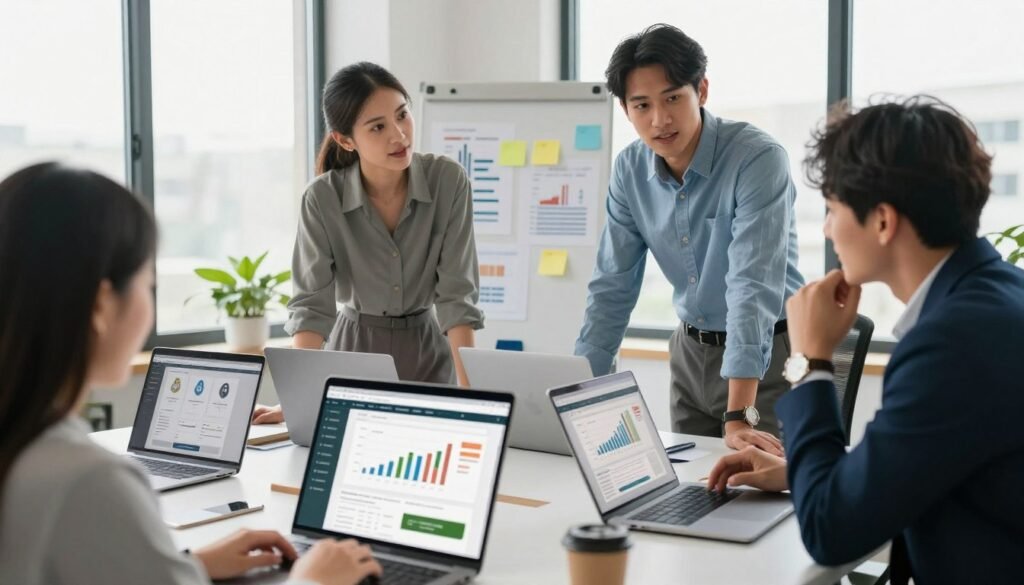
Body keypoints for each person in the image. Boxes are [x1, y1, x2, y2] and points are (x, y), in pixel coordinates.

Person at [0, 163, 381, 585]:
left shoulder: (24, 448)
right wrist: (313, 581)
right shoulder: (89, 481)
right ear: (101, 306)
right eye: (149, 283)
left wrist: (184, 567)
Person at [707, 96, 1024, 583]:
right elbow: (939, 460)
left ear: (882, 220)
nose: (829, 228)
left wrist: (810, 361)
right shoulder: (998, 296)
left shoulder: (951, 344)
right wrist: (803, 474)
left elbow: (831, 531)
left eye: (832, 208)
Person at [575, 24, 804, 454]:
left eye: (672, 98)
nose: (659, 120)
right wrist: (580, 398)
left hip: (768, 355)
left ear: (701, 90)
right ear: (625, 109)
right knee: (689, 494)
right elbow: (611, 287)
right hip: (689, 354)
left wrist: (739, 416)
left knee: (763, 496)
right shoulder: (629, 171)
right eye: (642, 105)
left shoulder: (757, 159)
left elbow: (751, 287)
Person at [253, 62, 483, 425]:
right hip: (351, 355)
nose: (399, 135)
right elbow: (311, 307)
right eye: (378, 127)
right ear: (346, 140)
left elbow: (458, 297)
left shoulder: (448, 181)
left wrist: (473, 395)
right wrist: (296, 400)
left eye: (402, 115)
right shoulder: (322, 198)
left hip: (428, 353)